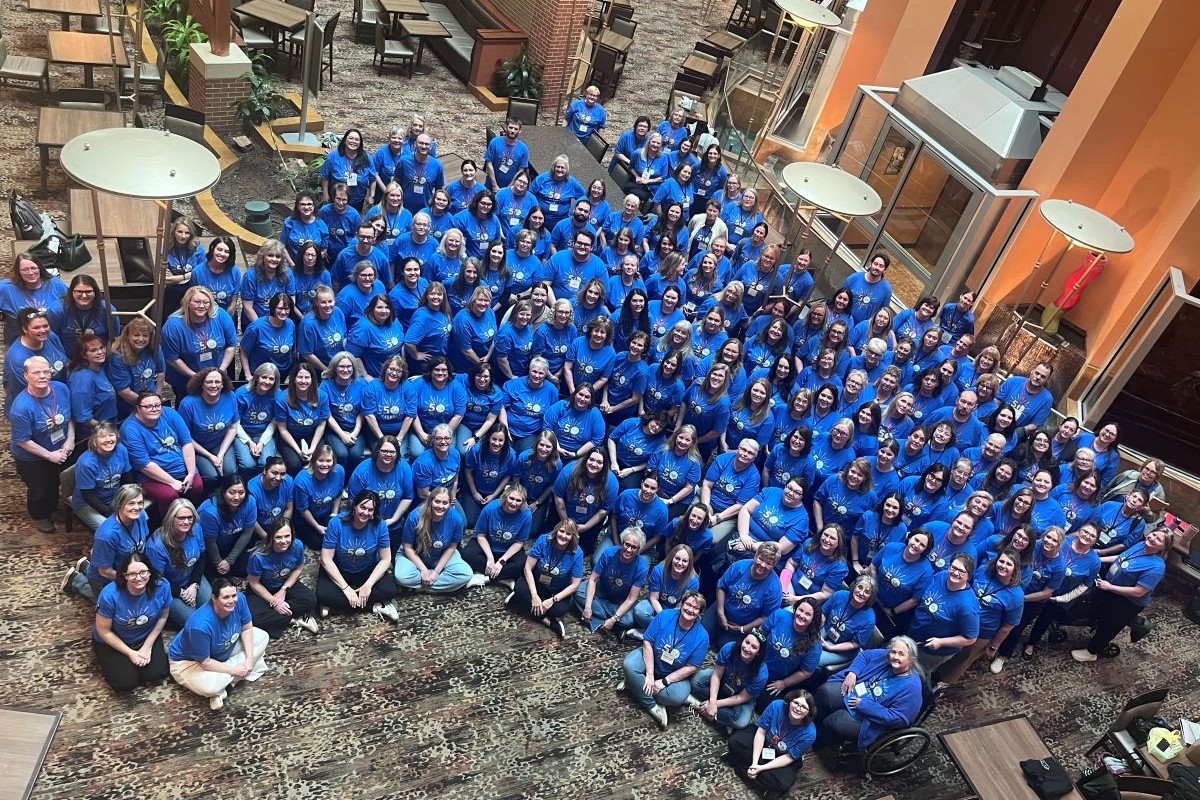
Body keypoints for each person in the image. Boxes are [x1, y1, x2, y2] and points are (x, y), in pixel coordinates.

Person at [1071, 527, 1171, 662]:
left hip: (1127, 602)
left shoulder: (1156, 568)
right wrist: (1098, 559)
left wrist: (1110, 587)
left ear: (1163, 548)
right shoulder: (1141, 545)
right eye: (1153, 534)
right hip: (1110, 589)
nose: (1152, 538)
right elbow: (1121, 558)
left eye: (1158, 539)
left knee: (1109, 625)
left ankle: (1092, 651)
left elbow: (1138, 591)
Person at [168, 578, 270, 711]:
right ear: (214, 598)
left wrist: (250, 659)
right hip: (189, 662)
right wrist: (234, 670)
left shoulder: (240, 600)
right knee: (211, 687)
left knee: (262, 637)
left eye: (233, 595)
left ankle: (228, 684)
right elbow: (204, 662)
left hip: (222, 650)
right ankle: (228, 680)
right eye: (226, 597)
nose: (232, 600)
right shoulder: (200, 626)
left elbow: (247, 629)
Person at [814, 636, 924, 749]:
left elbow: (899, 719)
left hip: (869, 719)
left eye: (901, 654)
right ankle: (809, 726)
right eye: (893, 652)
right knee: (825, 692)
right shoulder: (885, 656)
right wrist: (853, 673)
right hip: (854, 693)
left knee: (834, 721)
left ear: (911, 659)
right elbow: (865, 655)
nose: (895, 657)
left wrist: (865, 706)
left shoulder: (912, 688)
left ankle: (816, 742)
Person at [621, 591, 710, 730]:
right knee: (629, 665)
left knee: (678, 697)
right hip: (652, 659)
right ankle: (652, 705)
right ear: (681, 604)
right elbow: (647, 642)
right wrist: (650, 674)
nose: (690, 610)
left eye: (695, 608)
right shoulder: (664, 616)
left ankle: (635, 685)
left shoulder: (702, 637)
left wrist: (665, 681)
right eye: (687, 604)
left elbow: (691, 667)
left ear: (700, 613)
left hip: (674, 674)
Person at [934, 549, 1024, 686]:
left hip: (981, 633)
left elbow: (1008, 626)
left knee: (961, 661)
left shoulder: (1016, 596)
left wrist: (993, 647)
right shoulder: (983, 571)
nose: (1003, 566)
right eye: (1001, 561)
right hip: (958, 620)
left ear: (1015, 569)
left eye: (1009, 564)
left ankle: (941, 683)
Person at [11, 356, 74, 532]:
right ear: (26, 376)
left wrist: (70, 439)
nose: (42, 376)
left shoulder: (61, 389)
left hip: (59, 448)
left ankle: (52, 508)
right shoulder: (21, 407)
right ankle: (40, 515)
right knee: (39, 488)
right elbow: (23, 441)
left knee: (54, 482)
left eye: (46, 371)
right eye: (36, 372)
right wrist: (49, 455)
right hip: (32, 457)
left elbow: (70, 418)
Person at [92, 552, 172, 692]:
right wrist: (130, 653)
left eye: (143, 572)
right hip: (113, 640)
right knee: (125, 683)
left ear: (150, 572)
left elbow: (162, 617)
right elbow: (104, 631)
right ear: (124, 575)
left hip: (145, 635)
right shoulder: (109, 595)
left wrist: (147, 646)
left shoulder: (162, 586)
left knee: (157, 674)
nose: (139, 578)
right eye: (132, 574)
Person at [318, 489, 400, 621]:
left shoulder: (380, 526)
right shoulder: (336, 523)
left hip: (366, 569)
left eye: (370, 510)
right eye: (362, 507)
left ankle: (337, 605)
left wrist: (368, 585)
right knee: (322, 595)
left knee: (390, 590)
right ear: (354, 506)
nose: (365, 513)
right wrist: (346, 589)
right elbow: (326, 559)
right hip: (340, 568)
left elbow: (386, 559)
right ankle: (373, 606)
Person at [121, 391, 203, 519]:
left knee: (197, 486)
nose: (154, 409)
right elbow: (145, 465)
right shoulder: (130, 429)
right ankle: (168, 526)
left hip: (181, 467)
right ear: (138, 408)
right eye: (148, 406)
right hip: (151, 476)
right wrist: (172, 482)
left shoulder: (169, 413)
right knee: (169, 495)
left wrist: (191, 473)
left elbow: (187, 443)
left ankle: (189, 518)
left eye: (157, 405)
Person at [506, 519, 585, 639]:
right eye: (562, 531)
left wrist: (552, 600)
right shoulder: (543, 540)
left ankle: (518, 602)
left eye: (568, 534)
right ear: (556, 531)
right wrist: (534, 595)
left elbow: (575, 584)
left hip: (556, 590)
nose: (563, 536)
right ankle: (549, 622)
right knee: (520, 588)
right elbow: (527, 568)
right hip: (536, 583)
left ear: (573, 537)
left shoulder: (577, 553)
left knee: (559, 610)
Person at [727, 689, 817, 794]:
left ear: (809, 712)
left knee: (783, 783)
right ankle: (759, 779)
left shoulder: (810, 733)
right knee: (734, 742)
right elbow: (761, 733)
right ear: (789, 702)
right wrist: (755, 762)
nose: (798, 708)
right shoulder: (776, 706)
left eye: (804, 707)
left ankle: (741, 766)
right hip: (764, 741)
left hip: (783, 756)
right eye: (796, 703)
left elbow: (789, 757)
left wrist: (761, 768)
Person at [246, 521, 319, 638]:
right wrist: (275, 602)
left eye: (287, 536)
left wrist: (284, 589)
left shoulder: (297, 546)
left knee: (310, 600)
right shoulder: (257, 556)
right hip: (262, 588)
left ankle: (278, 618)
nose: (284, 541)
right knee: (254, 618)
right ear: (271, 537)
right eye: (278, 537)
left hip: (285, 583)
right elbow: (254, 583)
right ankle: (295, 621)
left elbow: (298, 568)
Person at [704, 543, 784, 650]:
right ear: (755, 555)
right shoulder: (739, 566)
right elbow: (721, 587)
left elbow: (766, 617)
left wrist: (743, 629)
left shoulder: (774, 588)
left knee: (725, 647)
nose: (763, 565)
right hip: (722, 608)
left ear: (774, 565)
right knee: (703, 633)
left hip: (743, 624)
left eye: (768, 563)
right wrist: (720, 613)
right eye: (761, 559)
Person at [909, 551, 980, 671]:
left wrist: (941, 642)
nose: (955, 573)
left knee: (916, 673)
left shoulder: (968, 606)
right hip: (914, 633)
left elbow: (971, 638)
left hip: (933, 651)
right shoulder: (941, 575)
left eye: (961, 571)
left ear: (969, 576)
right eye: (954, 567)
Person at [145, 498, 210, 629]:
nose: (186, 522)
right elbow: (156, 578)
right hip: (168, 588)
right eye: (181, 518)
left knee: (213, 609)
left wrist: (194, 584)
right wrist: (181, 592)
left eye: (190, 517)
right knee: (195, 622)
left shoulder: (196, 529)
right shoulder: (156, 545)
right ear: (171, 518)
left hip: (191, 578)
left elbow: (202, 557)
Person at [395, 486, 473, 593]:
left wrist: (436, 572)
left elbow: (452, 547)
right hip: (415, 555)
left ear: (450, 504)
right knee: (401, 577)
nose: (440, 506)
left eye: (445, 503)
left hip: (441, 554)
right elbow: (407, 547)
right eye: (437, 501)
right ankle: (440, 583)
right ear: (430, 501)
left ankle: (419, 587)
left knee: (466, 574)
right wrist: (424, 570)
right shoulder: (414, 517)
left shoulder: (456, 519)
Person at [688, 630, 769, 731]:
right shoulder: (729, 648)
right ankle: (716, 712)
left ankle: (702, 706)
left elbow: (741, 697)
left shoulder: (761, 673)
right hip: (723, 682)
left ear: (758, 653)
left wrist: (715, 704)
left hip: (740, 698)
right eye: (747, 642)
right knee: (696, 681)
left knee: (740, 721)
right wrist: (713, 701)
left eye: (754, 647)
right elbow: (717, 675)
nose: (747, 648)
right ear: (742, 641)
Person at [576, 527, 649, 635]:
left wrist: (614, 618)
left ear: (638, 550)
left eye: (633, 547)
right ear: (622, 542)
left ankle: (599, 618)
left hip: (618, 601)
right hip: (601, 590)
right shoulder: (609, 553)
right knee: (579, 592)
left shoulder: (642, 568)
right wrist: (587, 606)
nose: (629, 549)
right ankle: (612, 626)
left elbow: (630, 599)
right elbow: (593, 579)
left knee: (629, 620)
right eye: (627, 544)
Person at [463, 484, 532, 589]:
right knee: (466, 554)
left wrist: (502, 561)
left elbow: (519, 542)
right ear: (505, 497)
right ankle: (504, 578)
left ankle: (484, 578)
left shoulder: (526, 515)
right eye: (511, 498)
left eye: (518, 500)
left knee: (522, 565)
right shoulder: (491, 508)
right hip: (488, 545)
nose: (514, 503)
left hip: (508, 549)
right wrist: (490, 558)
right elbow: (481, 535)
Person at [758, 599, 822, 709]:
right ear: (795, 609)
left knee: (763, 705)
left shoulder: (815, 645)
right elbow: (760, 633)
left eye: (807, 614)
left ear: (813, 619)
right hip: (757, 663)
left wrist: (784, 683)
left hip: (774, 679)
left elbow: (806, 672)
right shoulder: (780, 615)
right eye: (800, 610)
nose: (802, 615)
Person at [199, 474, 258, 581]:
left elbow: (247, 533)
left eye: (241, 493)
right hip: (209, 550)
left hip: (232, 544)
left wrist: (230, 560)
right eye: (232, 492)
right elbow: (210, 543)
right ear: (223, 492)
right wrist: (219, 563)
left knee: (253, 565)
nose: (237, 497)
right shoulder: (210, 512)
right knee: (215, 573)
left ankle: (229, 572)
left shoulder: (250, 502)